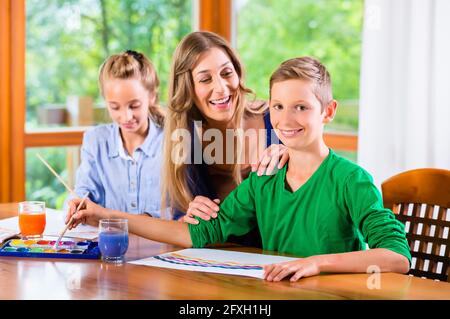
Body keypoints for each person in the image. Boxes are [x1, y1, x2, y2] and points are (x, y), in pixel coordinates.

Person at [67, 56, 411, 282]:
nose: (286, 119)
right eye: (278, 106)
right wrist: (101, 215)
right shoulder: (264, 179)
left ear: (328, 111)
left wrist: (317, 263)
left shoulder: (351, 180)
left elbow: (397, 257)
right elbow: (193, 235)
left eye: (301, 107)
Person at [162, 31, 287, 246]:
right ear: (187, 89)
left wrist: (297, 156)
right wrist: (188, 218)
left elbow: (321, 180)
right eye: (205, 79)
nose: (221, 88)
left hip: (284, 260)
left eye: (227, 73)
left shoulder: (276, 120)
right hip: (222, 264)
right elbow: (184, 226)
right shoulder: (186, 142)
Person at [66, 50, 165, 218]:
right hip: (109, 243)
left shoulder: (173, 141)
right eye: (115, 107)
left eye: (134, 105)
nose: (126, 117)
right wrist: (76, 204)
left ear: (152, 97)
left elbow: (182, 208)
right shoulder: (95, 140)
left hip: (163, 244)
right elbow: (85, 189)